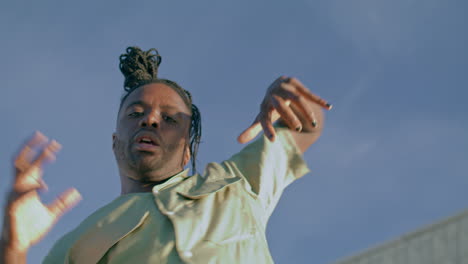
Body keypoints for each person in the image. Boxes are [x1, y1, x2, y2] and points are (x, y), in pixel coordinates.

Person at [0, 47, 332, 264]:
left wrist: (293, 100)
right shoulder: (77, 243)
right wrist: (14, 246)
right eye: (135, 113)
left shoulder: (238, 185)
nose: (151, 119)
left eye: (170, 118)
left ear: (188, 150)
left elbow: (308, 126)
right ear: (115, 143)